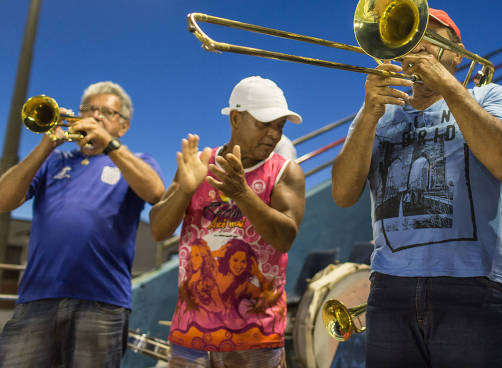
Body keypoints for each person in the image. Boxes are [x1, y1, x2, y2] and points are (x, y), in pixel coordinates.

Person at [332, 5, 502, 368]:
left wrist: (449, 87)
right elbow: (343, 194)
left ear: (456, 52)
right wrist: (369, 113)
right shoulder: (376, 114)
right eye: (410, 39)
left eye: (432, 38)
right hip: (390, 286)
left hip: (472, 284)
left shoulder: (488, 96)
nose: (419, 47)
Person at [0, 81, 165, 367]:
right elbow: (3, 200)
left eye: (106, 112)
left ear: (123, 126)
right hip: (37, 299)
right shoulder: (54, 161)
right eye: (89, 110)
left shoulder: (137, 160)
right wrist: (46, 146)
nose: (96, 116)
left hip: (102, 303)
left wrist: (110, 145)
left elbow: (155, 192)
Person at [149, 76, 305, 368]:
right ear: (235, 118)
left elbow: (285, 238)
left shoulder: (286, 172)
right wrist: (184, 190)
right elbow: (158, 230)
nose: (274, 134)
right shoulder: (199, 163)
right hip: (190, 337)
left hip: (256, 340)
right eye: (264, 124)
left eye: (279, 126)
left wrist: (242, 193)